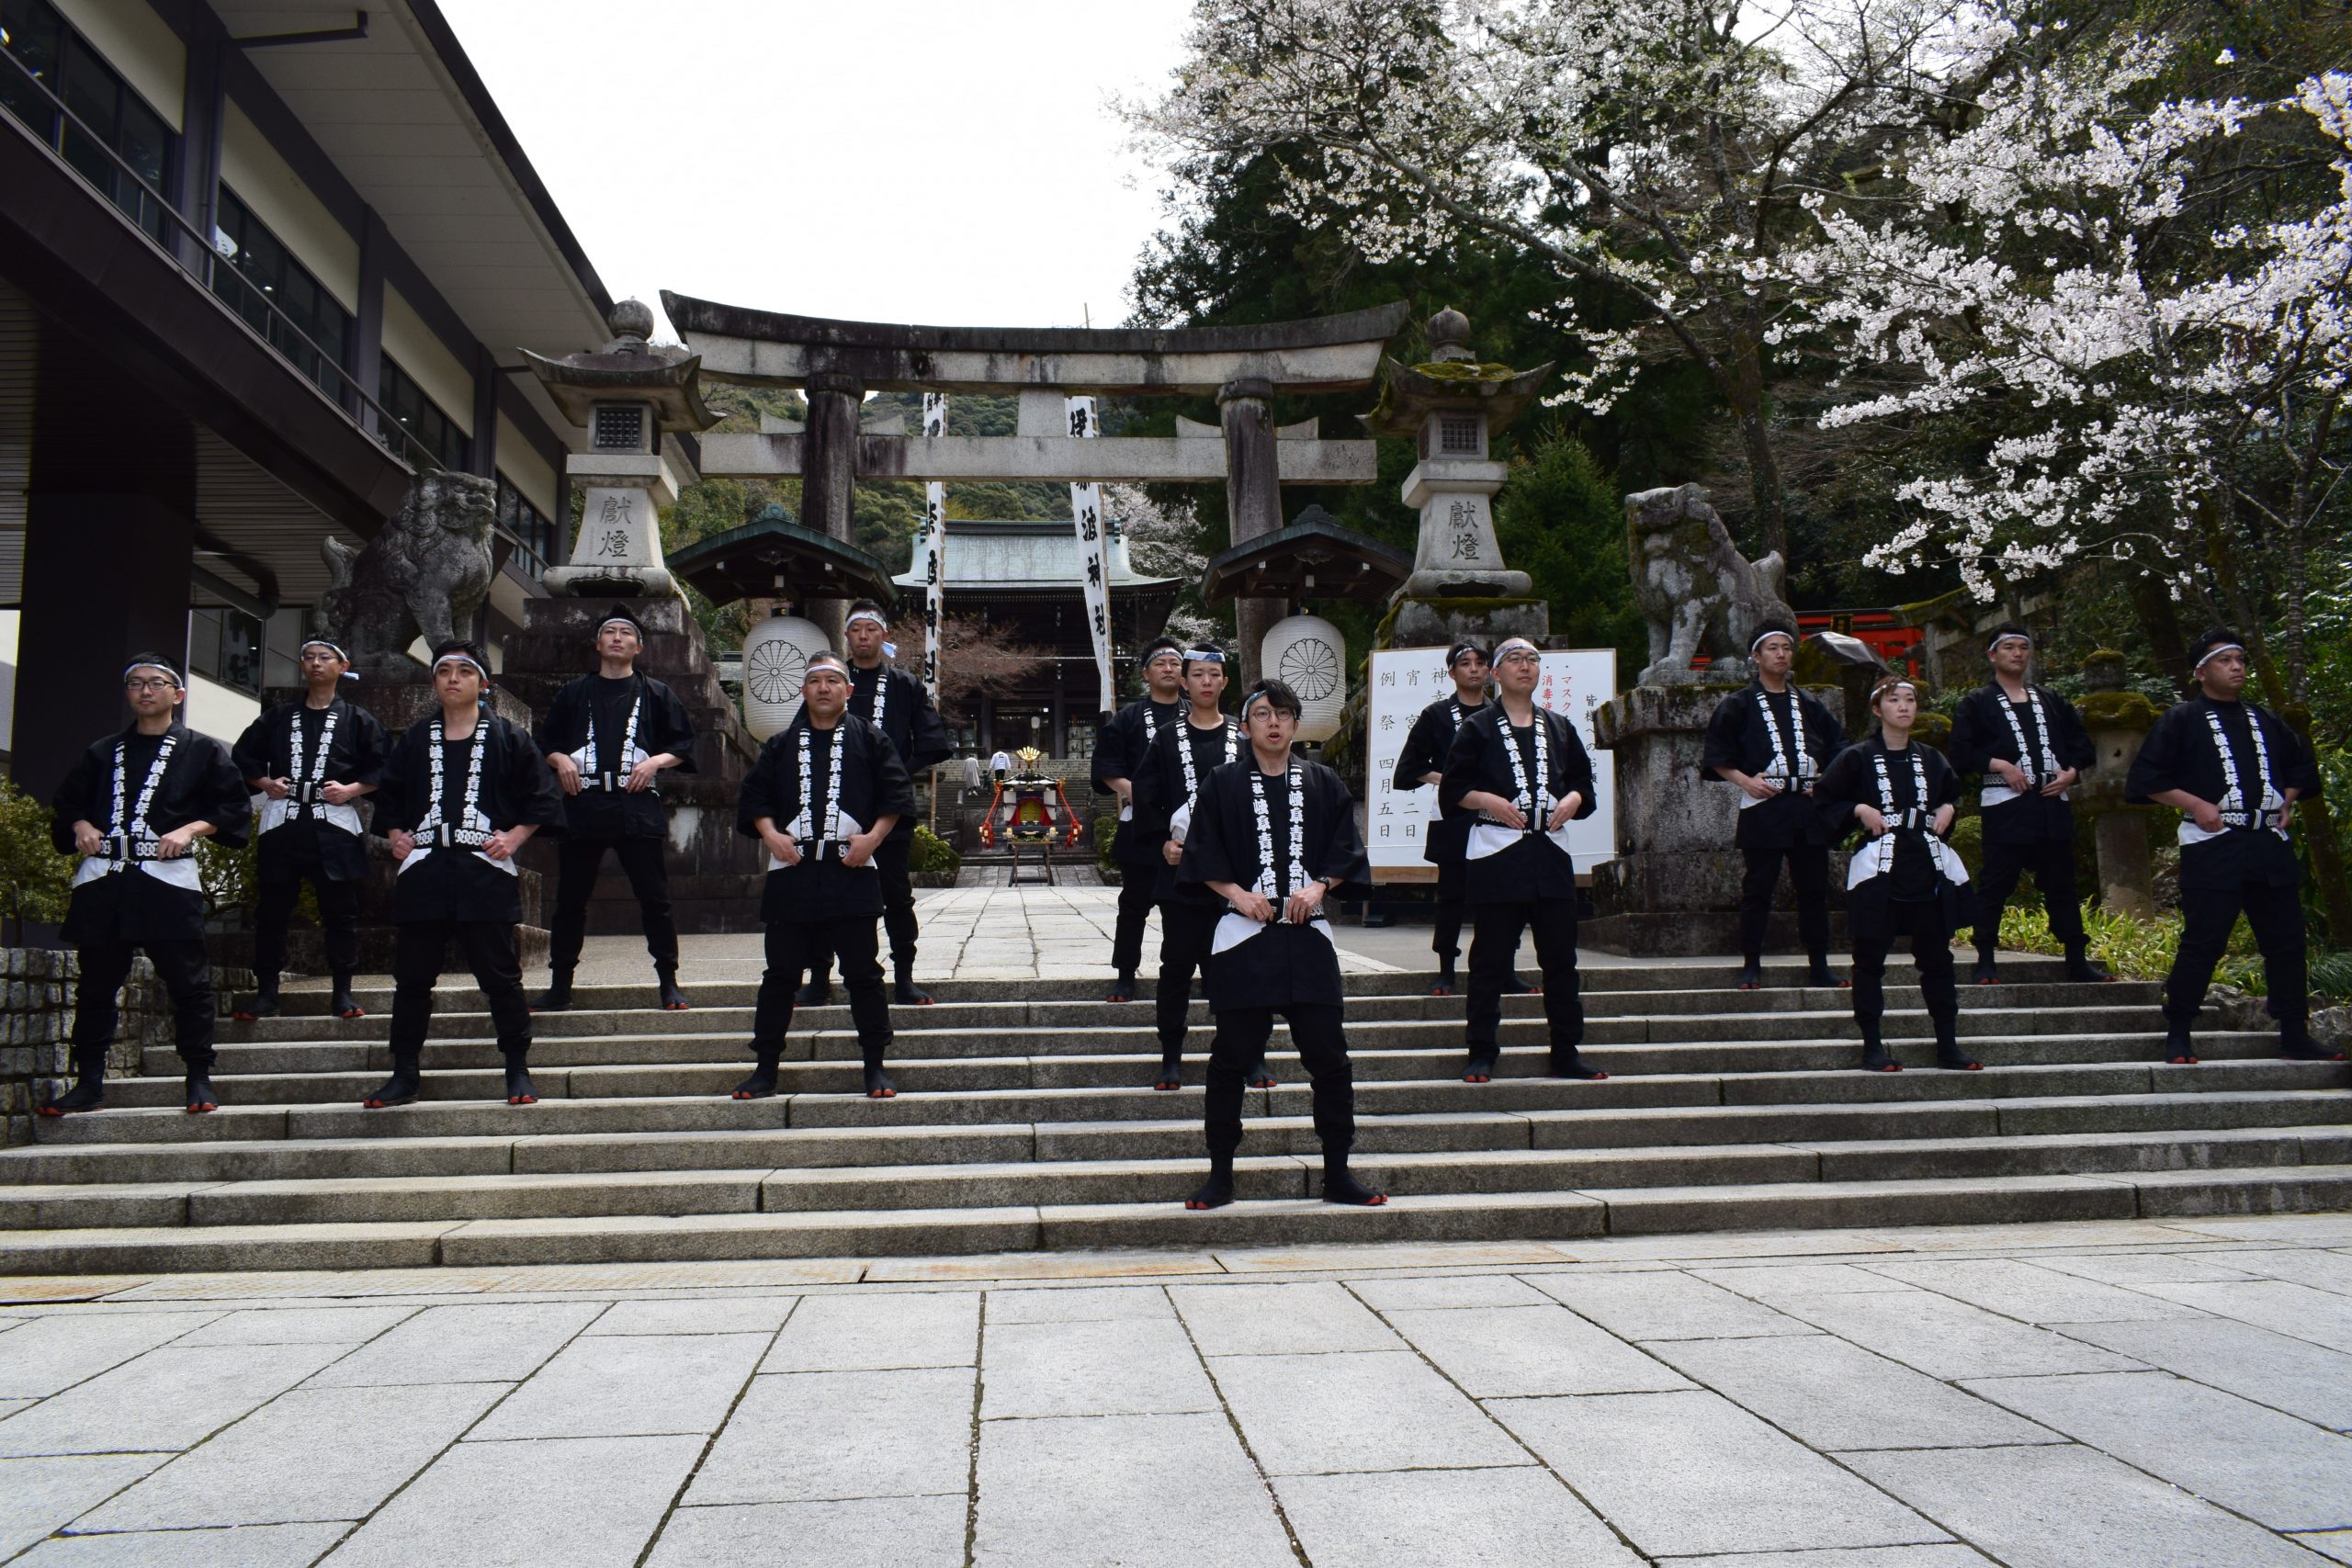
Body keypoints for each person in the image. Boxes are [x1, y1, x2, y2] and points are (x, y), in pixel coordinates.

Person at [1178, 679, 1386, 1211]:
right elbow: (1201, 851)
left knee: (1330, 1058)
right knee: (1231, 1059)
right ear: (1245, 726)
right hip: (1242, 938)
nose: (1274, 723)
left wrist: (1319, 887)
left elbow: (1347, 849)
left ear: (1296, 724)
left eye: (1284, 714)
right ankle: (1220, 1175)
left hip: (1307, 937)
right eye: (1263, 714)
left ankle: (1338, 1172)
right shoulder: (1223, 782)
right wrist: (1237, 894)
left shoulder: (1323, 781)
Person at [41, 655, 250, 1116]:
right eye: (135, 683)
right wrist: (80, 824)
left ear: (178, 694)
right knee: (95, 987)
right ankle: (88, 1082)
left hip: (166, 879)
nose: (145, 691)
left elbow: (234, 808)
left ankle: (198, 1078)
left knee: (188, 984)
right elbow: (68, 802)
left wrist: (190, 829)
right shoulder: (102, 751)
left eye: (156, 683)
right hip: (104, 878)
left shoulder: (202, 750)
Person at [2128, 629, 2338, 1064]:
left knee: (2286, 942)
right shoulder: (2181, 719)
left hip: (2269, 842)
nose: (2237, 667)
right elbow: (2146, 779)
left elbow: (2302, 765)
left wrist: (2287, 802)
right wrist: (2195, 804)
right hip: (2213, 844)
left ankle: (2294, 1032)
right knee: (2204, 940)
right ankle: (2179, 1031)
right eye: (2225, 660)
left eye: (2240, 659)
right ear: (2201, 672)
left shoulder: (2265, 719)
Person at [366, 641, 562, 1109]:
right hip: (425, 869)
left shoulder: (510, 737)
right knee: (412, 978)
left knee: (500, 975)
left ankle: (517, 1067)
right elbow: (389, 795)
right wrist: (395, 835)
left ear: (482, 683)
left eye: (464, 671)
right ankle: (404, 1073)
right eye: (444, 671)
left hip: (484, 870)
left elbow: (542, 796)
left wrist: (514, 838)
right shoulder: (416, 739)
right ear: (434, 682)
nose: (453, 679)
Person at [733, 652, 914, 1100]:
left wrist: (873, 839)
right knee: (780, 974)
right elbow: (755, 797)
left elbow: (896, 795)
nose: (824, 688)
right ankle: (765, 1068)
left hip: (852, 872)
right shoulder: (780, 745)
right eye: (815, 681)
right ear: (803, 690)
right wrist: (771, 836)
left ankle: (875, 1065)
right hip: (792, 872)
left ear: (848, 690)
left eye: (833, 680)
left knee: (863, 973)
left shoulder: (871, 739)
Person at [1440, 637, 1606, 1083]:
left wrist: (1573, 799)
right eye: (1514, 659)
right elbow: (1453, 790)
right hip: (1497, 854)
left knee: (1561, 960)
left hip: (1550, 853)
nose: (1525, 666)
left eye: (1532, 659)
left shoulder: (1560, 727)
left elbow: (1583, 785)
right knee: (1489, 960)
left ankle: (1566, 1051)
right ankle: (1481, 1050)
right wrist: (1488, 800)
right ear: (1496, 674)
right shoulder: (1477, 727)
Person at [531, 606, 697, 1012]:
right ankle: (560, 986)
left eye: (626, 632)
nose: (617, 637)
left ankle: (669, 982)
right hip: (583, 802)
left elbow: (682, 745)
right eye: (610, 632)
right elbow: (546, 741)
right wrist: (560, 760)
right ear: (597, 643)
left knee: (654, 898)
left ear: (639, 646)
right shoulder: (573, 693)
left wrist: (654, 763)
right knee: (570, 900)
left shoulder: (657, 693)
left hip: (636, 803)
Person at [1816, 676, 1976, 1073]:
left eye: (1910, 700)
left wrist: (1948, 809)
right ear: (1877, 709)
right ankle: (1872, 1045)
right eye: (1894, 700)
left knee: (1937, 958)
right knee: (1869, 958)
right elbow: (1824, 800)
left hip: (1926, 864)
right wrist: (1859, 810)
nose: (1904, 706)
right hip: (1880, 867)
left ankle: (1948, 1045)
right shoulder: (1856, 757)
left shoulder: (1932, 758)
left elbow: (1951, 795)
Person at [798, 601, 952, 1008]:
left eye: (870, 629)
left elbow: (934, 744)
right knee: (825, 894)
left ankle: (904, 978)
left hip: (889, 806)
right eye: (856, 630)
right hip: (832, 806)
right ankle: (819, 978)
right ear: (846, 636)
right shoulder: (830, 683)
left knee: (896, 895)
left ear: (884, 635)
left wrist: (893, 771)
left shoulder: (905, 685)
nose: (863, 636)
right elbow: (799, 739)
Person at [230, 636, 388, 1023]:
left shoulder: (358, 719)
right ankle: (267, 993)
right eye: (309, 657)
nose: (316, 663)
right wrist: (265, 783)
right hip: (283, 820)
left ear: (342, 666)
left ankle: (343, 992)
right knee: (271, 911)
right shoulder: (278, 717)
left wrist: (352, 790)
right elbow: (242, 755)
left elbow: (384, 766)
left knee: (341, 913)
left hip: (334, 824)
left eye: (324, 657)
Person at [1134, 645, 1264, 1091]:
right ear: (1185, 682)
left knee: (1242, 966)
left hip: (1238, 876)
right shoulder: (1166, 738)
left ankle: (1250, 1054)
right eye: (1198, 675)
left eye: (1214, 674)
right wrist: (1164, 842)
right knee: (1176, 967)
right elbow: (1147, 799)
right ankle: (1171, 1055)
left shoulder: (1244, 738)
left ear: (1225, 682)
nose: (1206, 682)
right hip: (1184, 878)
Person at [1949, 624, 2109, 985]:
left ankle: (2076, 959)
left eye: (2023, 646)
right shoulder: (1977, 702)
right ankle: (1985, 958)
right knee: (1995, 883)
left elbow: (2081, 743)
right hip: (2006, 807)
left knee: (2062, 884)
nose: (2017, 653)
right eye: (2009, 647)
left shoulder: (2050, 699)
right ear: (1993, 655)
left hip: (2052, 803)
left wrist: (2071, 772)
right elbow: (1960, 752)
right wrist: (2000, 765)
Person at [1702, 621, 1847, 989]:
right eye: (1773, 648)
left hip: (1808, 807)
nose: (1782, 654)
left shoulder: (1809, 702)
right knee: (1758, 888)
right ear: (1756, 656)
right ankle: (1751, 962)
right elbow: (1716, 756)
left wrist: (1826, 784)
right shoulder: (1737, 704)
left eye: (1786, 647)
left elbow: (1840, 748)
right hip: (1763, 807)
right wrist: (1746, 782)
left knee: (1814, 889)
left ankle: (1819, 964)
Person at [1092, 635, 1186, 1001]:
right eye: (1160, 663)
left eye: (1175, 663)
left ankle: (1188, 971)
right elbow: (1106, 767)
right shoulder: (1128, 718)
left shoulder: (1198, 715)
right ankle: (1126, 974)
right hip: (1142, 826)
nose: (1169, 669)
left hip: (1189, 827)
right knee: (1134, 904)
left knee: (1189, 907)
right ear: (1146, 673)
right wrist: (1135, 792)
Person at [1393, 642, 1489, 996]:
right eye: (1465, 663)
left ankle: (1500, 968)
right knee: (1451, 896)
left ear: (1490, 671)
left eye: (1480, 663)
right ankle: (1446, 969)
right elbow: (1408, 769)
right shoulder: (1436, 715)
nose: (1473, 669)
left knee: (1501, 897)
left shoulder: (1501, 713)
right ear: (1451, 672)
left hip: (1498, 815)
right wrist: (1446, 780)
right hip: (1454, 815)